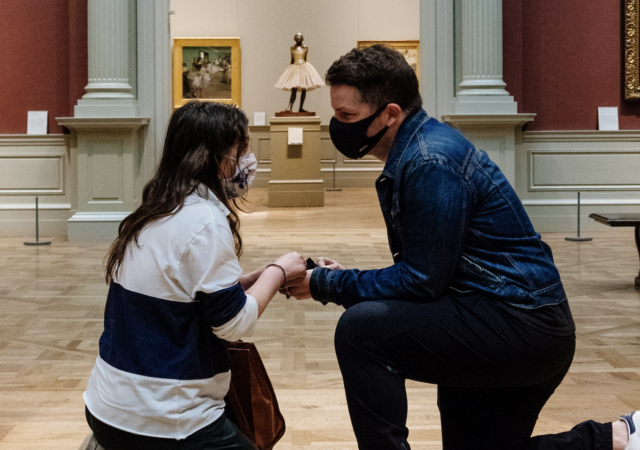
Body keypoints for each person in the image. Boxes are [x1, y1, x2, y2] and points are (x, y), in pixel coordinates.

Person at [285, 44, 639, 450]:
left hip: (521, 326)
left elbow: (421, 282)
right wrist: (338, 277)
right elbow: (430, 269)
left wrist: (327, 283)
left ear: (390, 113)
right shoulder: (420, 148)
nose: (337, 125)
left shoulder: (429, 160)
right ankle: (617, 437)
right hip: (499, 315)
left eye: (346, 116)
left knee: (361, 330)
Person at [83, 101, 307, 450]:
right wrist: (279, 270)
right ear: (210, 158)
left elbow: (185, 294)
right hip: (165, 417)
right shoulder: (205, 221)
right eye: (240, 150)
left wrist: (255, 279)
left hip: (106, 404)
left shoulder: (156, 209)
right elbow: (234, 324)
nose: (247, 161)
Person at [274, 33, 324, 113]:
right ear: (295, 39)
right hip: (295, 67)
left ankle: (301, 108)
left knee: (304, 89)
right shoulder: (292, 48)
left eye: (299, 38)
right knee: (294, 88)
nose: (298, 39)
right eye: (297, 38)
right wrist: (290, 72)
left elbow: (305, 58)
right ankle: (290, 106)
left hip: (304, 67)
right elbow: (292, 60)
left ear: (302, 39)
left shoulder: (305, 48)